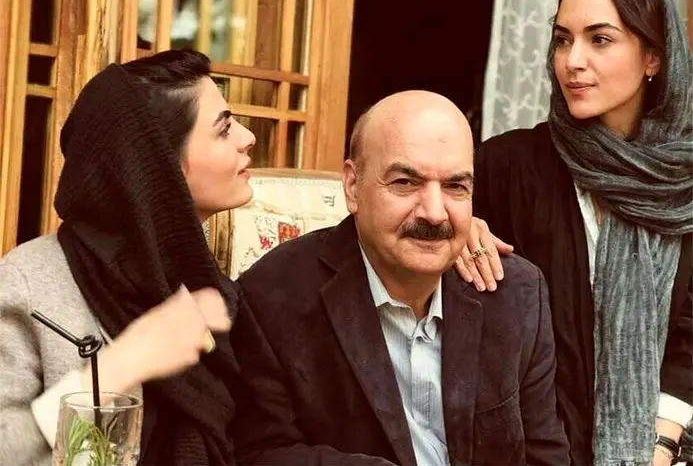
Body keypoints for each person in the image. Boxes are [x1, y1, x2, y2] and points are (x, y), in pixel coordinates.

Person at [230, 90, 570, 465]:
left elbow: (545, 454)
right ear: (352, 186)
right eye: (405, 182)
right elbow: (258, 453)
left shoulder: (514, 294)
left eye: (455, 186)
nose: (435, 213)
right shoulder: (274, 296)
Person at [467, 0, 692, 466]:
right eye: (562, 40)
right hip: (529, 449)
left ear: (653, 57)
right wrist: (457, 229)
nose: (573, 61)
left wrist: (659, 446)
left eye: (600, 39)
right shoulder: (505, 167)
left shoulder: (683, 181)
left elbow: (689, 333)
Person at [0, 49, 256, 465]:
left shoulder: (214, 282)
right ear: (158, 166)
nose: (248, 137)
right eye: (224, 129)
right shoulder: (29, 283)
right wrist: (122, 364)